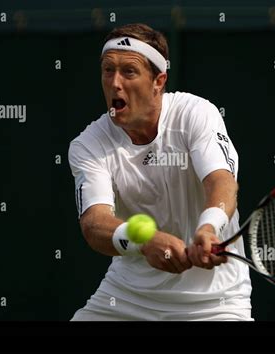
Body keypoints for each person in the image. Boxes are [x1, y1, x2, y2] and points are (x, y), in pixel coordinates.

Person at [68, 23, 252, 321]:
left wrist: (208, 228)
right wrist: (145, 241)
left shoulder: (196, 113)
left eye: (129, 72)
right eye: (107, 70)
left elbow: (222, 182)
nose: (115, 83)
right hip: (127, 298)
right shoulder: (88, 144)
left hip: (215, 303)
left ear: (158, 81)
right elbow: (94, 225)